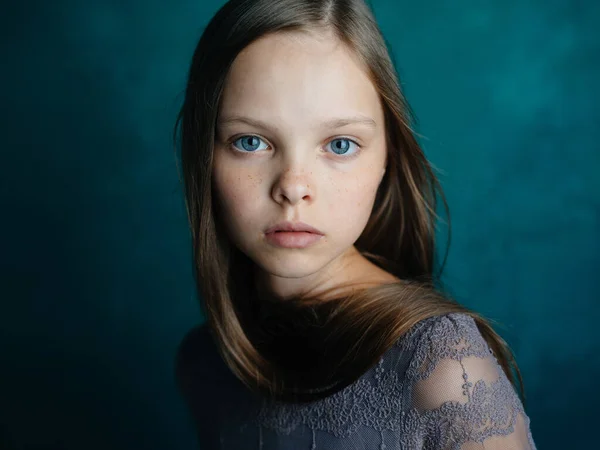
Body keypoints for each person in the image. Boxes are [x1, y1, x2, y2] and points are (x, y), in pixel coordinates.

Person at [174, 0, 537, 448]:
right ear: (203, 157)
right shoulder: (205, 361)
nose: (293, 187)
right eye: (251, 141)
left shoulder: (443, 362)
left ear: (388, 157)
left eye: (340, 144)